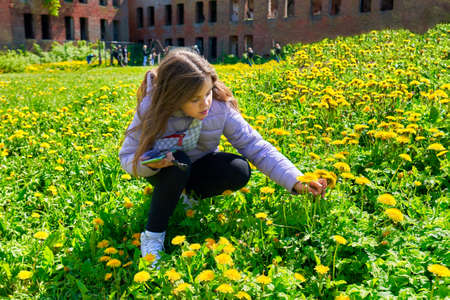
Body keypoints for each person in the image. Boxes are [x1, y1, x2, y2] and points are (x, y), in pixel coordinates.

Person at [119, 48, 327, 267]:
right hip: (164, 170)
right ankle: (152, 237)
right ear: (174, 97)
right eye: (195, 99)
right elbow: (128, 155)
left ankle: (187, 196)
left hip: (199, 166)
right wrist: (149, 164)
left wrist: (296, 180)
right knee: (179, 162)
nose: (205, 103)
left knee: (238, 169)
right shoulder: (152, 108)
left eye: (208, 93)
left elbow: (256, 146)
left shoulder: (219, 107)